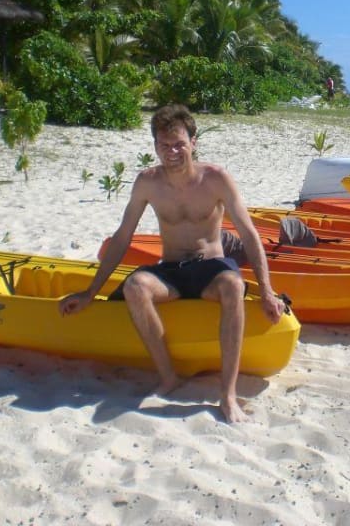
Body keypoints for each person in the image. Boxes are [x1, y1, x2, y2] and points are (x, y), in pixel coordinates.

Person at [58, 104, 285, 423]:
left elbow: (248, 234)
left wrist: (267, 292)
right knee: (136, 286)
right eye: (164, 145)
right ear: (155, 146)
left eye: (179, 144)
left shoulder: (216, 179)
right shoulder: (148, 182)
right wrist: (90, 292)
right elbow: (123, 237)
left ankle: (228, 395)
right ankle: (169, 377)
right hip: (172, 270)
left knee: (233, 285)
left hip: (211, 270)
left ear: (193, 142)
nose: (172, 151)